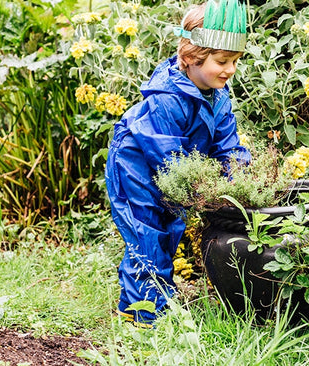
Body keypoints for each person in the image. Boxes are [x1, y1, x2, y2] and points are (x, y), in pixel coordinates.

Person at [105, 0, 251, 327]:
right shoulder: (167, 98)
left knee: (171, 230)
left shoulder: (219, 96)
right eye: (222, 61)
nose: (229, 70)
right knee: (146, 234)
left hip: (175, 168)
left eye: (234, 61)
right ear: (190, 57)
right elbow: (168, 158)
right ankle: (140, 317)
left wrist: (242, 181)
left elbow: (229, 146)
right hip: (137, 165)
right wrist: (204, 190)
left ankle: (159, 301)